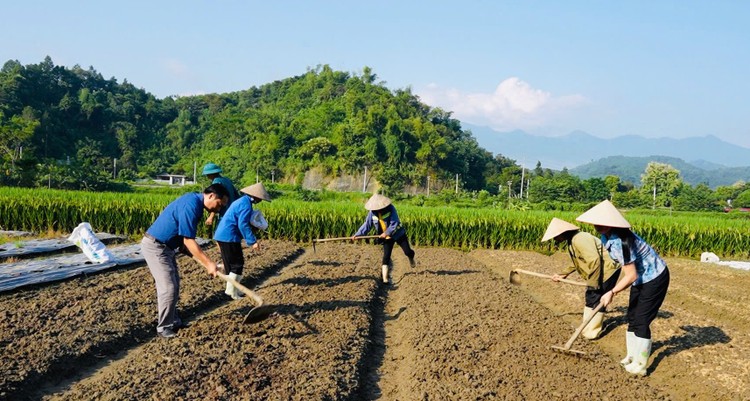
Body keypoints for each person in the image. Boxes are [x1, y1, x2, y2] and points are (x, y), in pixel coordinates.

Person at [576, 200, 670, 376]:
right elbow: (626, 269)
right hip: (640, 278)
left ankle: (641, 365)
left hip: (655, 277)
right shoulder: (606, 237)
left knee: (642, 320)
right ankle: (631, 356)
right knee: (632, 316)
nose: (598, 225)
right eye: (596, 222)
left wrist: (612, 292)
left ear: (612, 223)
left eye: (602, 222)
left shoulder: (620, 241)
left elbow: (631, 274)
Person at [141, 184, 229, 338]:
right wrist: (209, 263)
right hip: (156, 246)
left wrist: (207, 263)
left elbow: (183, 243)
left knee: (174, 283)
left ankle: (174, 321)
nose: (219, 209)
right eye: (220, 204)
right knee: (168, 287)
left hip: (167, 248)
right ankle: (164, 327)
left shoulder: (195, 204)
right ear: (211, 196)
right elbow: (188, 240)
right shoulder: (192, 205)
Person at [542, 217, 622, 340]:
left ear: (562, 233)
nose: (555, 239)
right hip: (600, 270)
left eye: (555, 236)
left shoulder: (580, 239)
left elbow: (595, 260)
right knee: (590, 297)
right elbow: (578, 261)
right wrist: (564, 273)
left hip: (608, 270)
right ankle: (586, 328)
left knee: (597, 299)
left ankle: (592, 332)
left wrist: (593, 283)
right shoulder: (572, 241)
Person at [214, 182, 272, 299]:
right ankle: (232, 292)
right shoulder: (245, 204)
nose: (260, 201)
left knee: (231, 265)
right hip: (229, 236)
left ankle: (233, 290)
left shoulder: (242, 201)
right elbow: (243, 224)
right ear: (254, 196)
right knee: (237, 264)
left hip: (223, 235)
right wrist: (252, 241)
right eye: (259, 199)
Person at [352, 194, 416, 284]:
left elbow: (394, 223)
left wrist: (386, 233)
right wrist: (358, 234)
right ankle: (385, 279)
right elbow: (367, 225)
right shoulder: (372, 213)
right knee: (386, 256)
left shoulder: (391, 209)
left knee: (407, 251)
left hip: (398, 233)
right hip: (386, 237)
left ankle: (411, 257)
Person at [201, 162, 240, 229]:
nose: (207, 176)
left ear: (211, 174)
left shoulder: (217, 182)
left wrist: (211, 217)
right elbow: (237, 195)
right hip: (233, 212)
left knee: (221, 232)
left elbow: (216, 201)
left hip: (225, 212)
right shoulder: (227, 180)